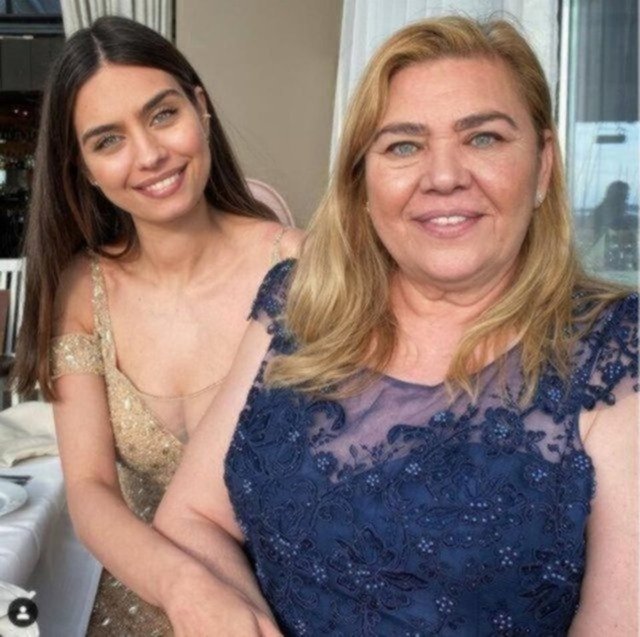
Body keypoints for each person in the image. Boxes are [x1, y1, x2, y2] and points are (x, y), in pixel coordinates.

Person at [155, 15, 638, 636]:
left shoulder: (614, 350)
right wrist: (220, 606)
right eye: (404, 146)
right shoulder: (298, 305)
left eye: (484, 138)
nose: (444, 176)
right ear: (362, 181)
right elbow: (193, 517)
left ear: (543, 166)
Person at [12, 15, 302, 635]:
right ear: (83, 167)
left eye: (163, 114)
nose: (148, 155)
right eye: (107, 140)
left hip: (294, 599)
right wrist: (184, 589)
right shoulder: (80, 290)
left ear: (201, 108)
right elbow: (89, 489)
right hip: (141, 597)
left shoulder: (304, 268)